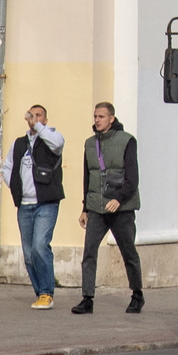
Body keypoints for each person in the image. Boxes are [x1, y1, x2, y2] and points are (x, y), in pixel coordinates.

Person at [71, 102, 144, 315]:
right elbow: (89, 178)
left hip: (121, 208)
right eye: (95, 116)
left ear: (111, 118)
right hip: (96, 207)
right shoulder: (89, 144)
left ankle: (137, 295)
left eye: (101, 116)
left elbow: (132, 179)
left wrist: (119, 199)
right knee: (89, 252)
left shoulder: (127, 141)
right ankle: (87, 298)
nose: (97, 120)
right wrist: (85, 207)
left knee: (128, 251)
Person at [2, 105, 65, 309]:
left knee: (40, 246)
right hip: (25, 205)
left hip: (46, 203)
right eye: (32, 115)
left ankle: (47, 292)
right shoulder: (19, 144)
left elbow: (57, 145)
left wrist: (38, 127)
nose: (34, 119)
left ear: (45, 120)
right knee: (29, 253)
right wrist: (16, 187)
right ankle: (40, 293)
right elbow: (7, 167)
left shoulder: (52, 138)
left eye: (39, 116)